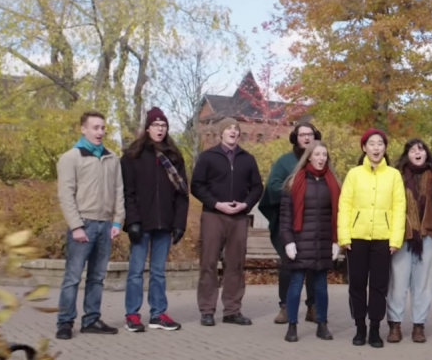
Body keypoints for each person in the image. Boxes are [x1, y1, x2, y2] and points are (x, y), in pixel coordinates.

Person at [56, 111, 125, 340]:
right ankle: (65, 322)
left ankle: (91, 320)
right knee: (73, 277)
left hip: (105, 225)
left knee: (97, 277)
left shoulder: (112, 158)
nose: (100, 132)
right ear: (83, 129)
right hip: (83, 224)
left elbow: (118, 191)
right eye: (95, 127)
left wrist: (117, 220)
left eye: (103, 128)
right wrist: (76, 226)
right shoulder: (71, 158)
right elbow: (66, 194)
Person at [121, 107, 188, 333]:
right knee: (136, 271)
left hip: (165, 223)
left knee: (159, 272)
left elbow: (182, 193)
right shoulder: (132, 156)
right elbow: (127, 192)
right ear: (147, 128)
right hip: (142, 222)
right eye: (156, 126)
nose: (160, 130)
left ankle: (158, 313)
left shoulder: (174, 156)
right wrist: (132, 221)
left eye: (164, 126)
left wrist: (179, 223)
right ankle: (132, 314)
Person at [191, 117, 263, 327]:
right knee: (209, 262)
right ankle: (207, 310)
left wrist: (245, 205)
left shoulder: (247, 159)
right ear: (221, 133)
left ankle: (232, 310)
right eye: (229, 128)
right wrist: (216, 204)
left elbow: (258, 187)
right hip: (214, 215)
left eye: (236, 128)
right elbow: (196, 186)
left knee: (235, 263)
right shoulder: (208, 157)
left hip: (239, 217)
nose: (233, 131)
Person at [338, 128, 406, 348]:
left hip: (382, 239)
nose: (376, 148)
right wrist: (344, 236)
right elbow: (345, 206)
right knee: (357, 284)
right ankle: (360, 327)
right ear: (364, 147)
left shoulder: (394, 175)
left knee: (379, 285)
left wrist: (395, 239)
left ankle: (375, 329)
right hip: (356, 238)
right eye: (372, 143)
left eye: (380, 144)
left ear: (385, 148)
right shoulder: (354, 174)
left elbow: (399, 208)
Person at [260, 123, 321, 324]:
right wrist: (297, 190)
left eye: (309, 134)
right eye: (301, 134)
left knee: (314, 264)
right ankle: (285, 307)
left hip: (315, 221)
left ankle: (313, 306)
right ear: (295, 138)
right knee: (289, 263)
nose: (305, 138)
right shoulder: (285, 161)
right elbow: (273, 185)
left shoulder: (321, 159)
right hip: (289, 220)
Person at [278, 140, 339, 342]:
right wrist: (288, 241)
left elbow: (338, 214)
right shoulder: (293, 182)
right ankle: (292, 326)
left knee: (321, 286)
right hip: (299, 241)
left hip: (322, 242)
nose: (322, 158)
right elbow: (285, 216)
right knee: (295, 284)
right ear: (309, 156)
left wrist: (336, 241)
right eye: (318, 154)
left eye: (324, 155)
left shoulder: (333, 183)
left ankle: (322, 324)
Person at [387, 138, 432, 344]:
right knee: (398, 282)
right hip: (401, 235)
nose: (417, 153)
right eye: (412, 150)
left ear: (426, 153)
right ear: (406, 154)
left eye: (421, 149)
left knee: (424, 283)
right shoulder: (396, 176)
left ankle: (419, 325)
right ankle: (395, 324)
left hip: (428, 235)